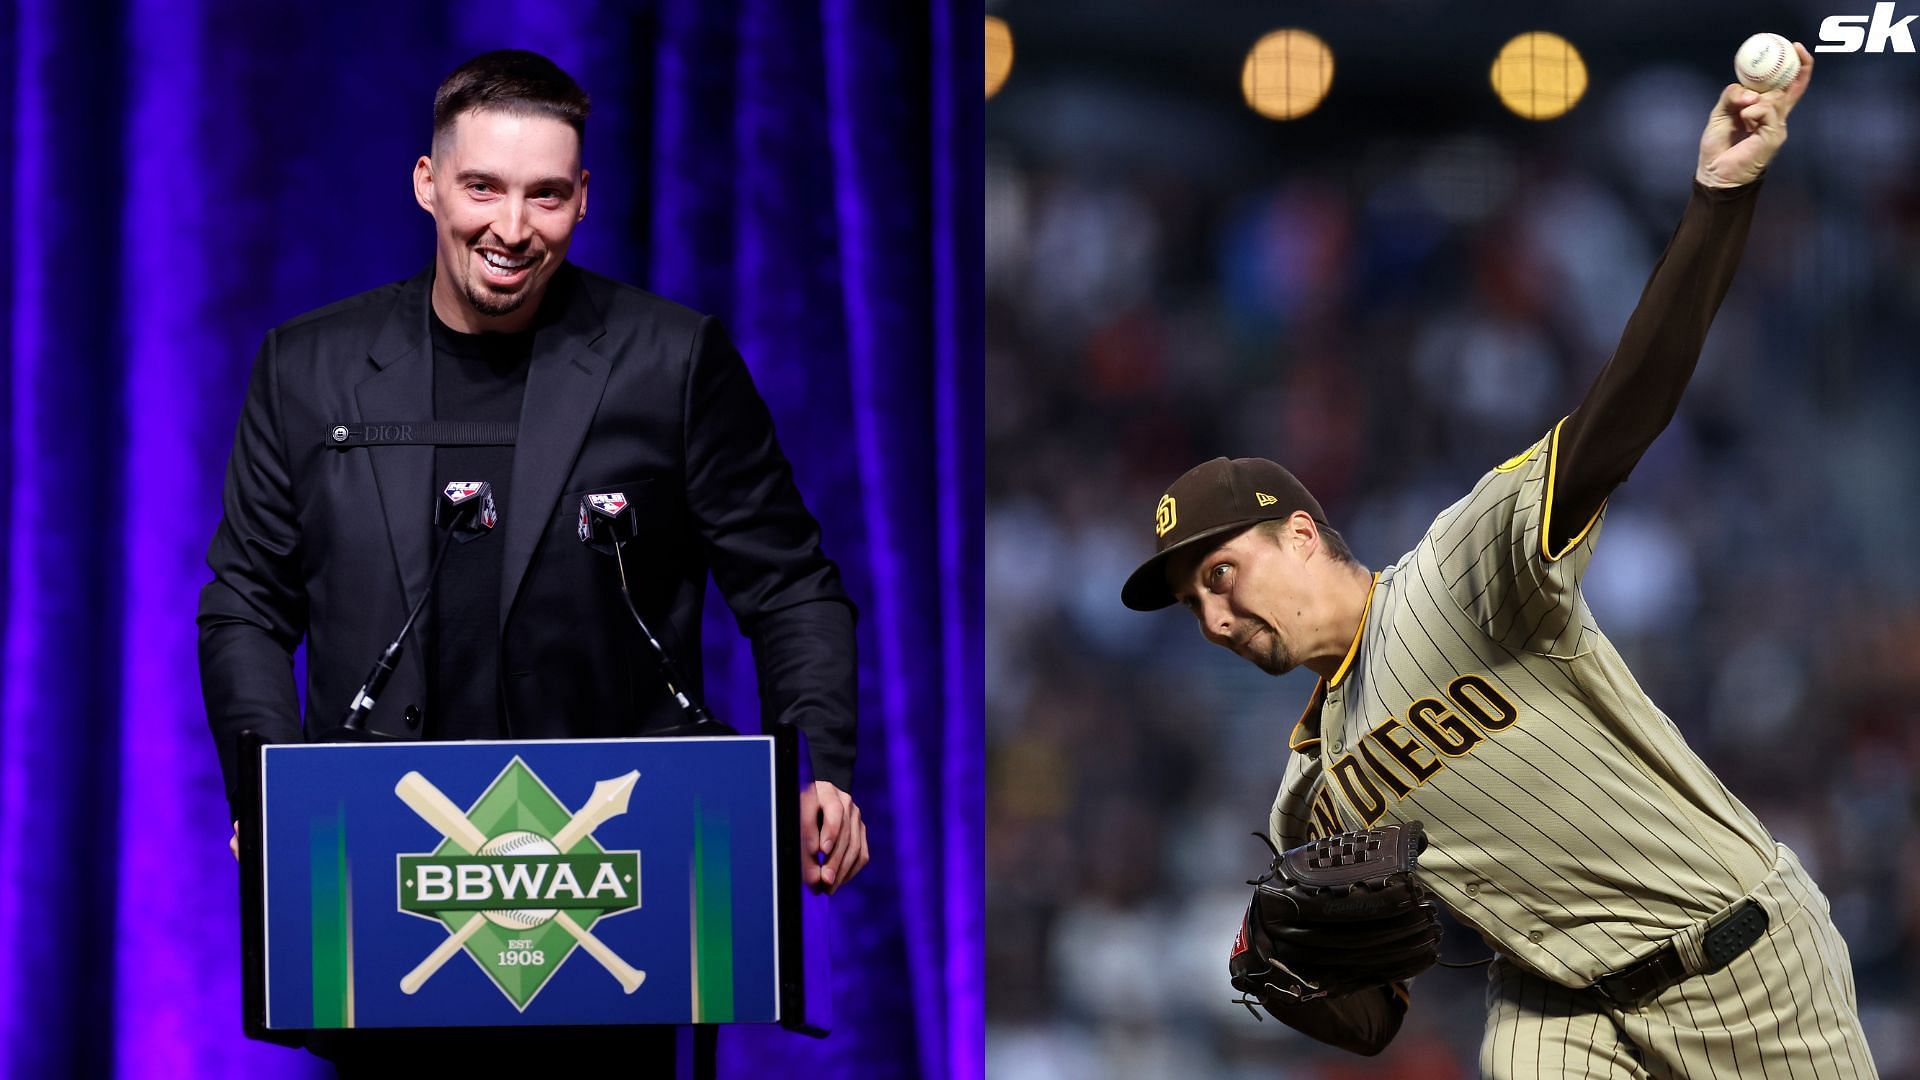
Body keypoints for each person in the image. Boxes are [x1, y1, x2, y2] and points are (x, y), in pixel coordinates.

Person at [1124, 44, 1877, 1076]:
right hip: (1556, 1009)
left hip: (1742, 959)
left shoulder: (1460, 568)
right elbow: (1375, 1013)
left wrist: (1714, 205)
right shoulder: (1307, 798)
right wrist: (1290, 974)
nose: (1211, 618)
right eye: (1188, 604)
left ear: (1299, 533)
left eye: (1218, 575)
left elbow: (1623, 413)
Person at [199, 49, 868, 1069]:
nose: (513, 228)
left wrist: (819, 766)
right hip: (391, 902)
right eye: (483, 188)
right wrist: (264, 785)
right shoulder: (310, 368)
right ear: (428, 184)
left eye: (545, 194)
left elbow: (790, 585)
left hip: (617, 905)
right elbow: (246, 600)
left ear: (583, 198)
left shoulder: (670, 362)